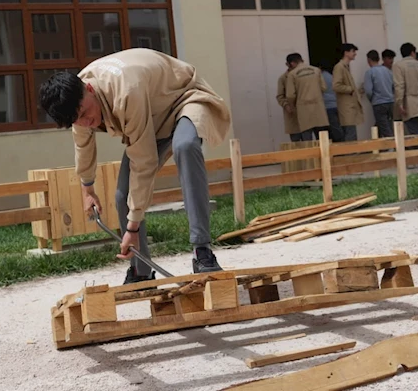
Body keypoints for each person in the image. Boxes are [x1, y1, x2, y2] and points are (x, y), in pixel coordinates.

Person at [38, 49, 231, 283]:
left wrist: (132, 227)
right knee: (123, 195)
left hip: (184, 99)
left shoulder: (126, 92)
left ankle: (203, 252)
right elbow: (83, 145)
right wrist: (87, 190)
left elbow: (144, 162)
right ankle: (141, 270)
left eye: (86, 114)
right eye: (77, 120)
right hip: (151, 118)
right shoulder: (74, 100)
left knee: (185, 145)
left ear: (89, 88)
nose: (86, 122)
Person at [286, 54, 329, 140]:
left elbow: (290, 95)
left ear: (292, 63)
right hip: (318, 107)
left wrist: (292, 106)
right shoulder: (316, 70)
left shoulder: (292, 74)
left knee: (307, 136)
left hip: (303, 108)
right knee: (321, 136)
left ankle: (310, 153)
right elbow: (324, 88)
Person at [332, 43, 364, 141]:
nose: (355, 54)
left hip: (350, 106)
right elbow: (336, 86)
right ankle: (350, 155)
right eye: (353, 51)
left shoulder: (344, 67)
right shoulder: (339, 67)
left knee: (352, 133)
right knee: (350, 134)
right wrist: (351, 89)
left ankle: (351, 154)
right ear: (346, 53)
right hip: (346, 107)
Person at [364, 49, 395, 138]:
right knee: (387, 124)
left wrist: (371, 100)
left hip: (378, 103)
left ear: (369, 60)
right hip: (390, 102)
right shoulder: (388, 71)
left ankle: (391, 145)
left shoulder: (370, 72)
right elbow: (393, 86)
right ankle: (380, 144)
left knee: (384, 127)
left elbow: (368, 91)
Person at [277, 56, 302, 141]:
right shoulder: (283, 78)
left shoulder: (302, 75)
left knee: (308, 141)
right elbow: (280, 96)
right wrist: (286, 105)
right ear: (287, 64)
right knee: (296, 141)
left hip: (305, 112)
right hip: (292, 114)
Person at [320, 59, 344, 142]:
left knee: (333, 129)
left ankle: (339, 146)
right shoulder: (331, 76)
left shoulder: (321, 77)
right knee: (337, 126)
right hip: (335, 103)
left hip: (327, 105)